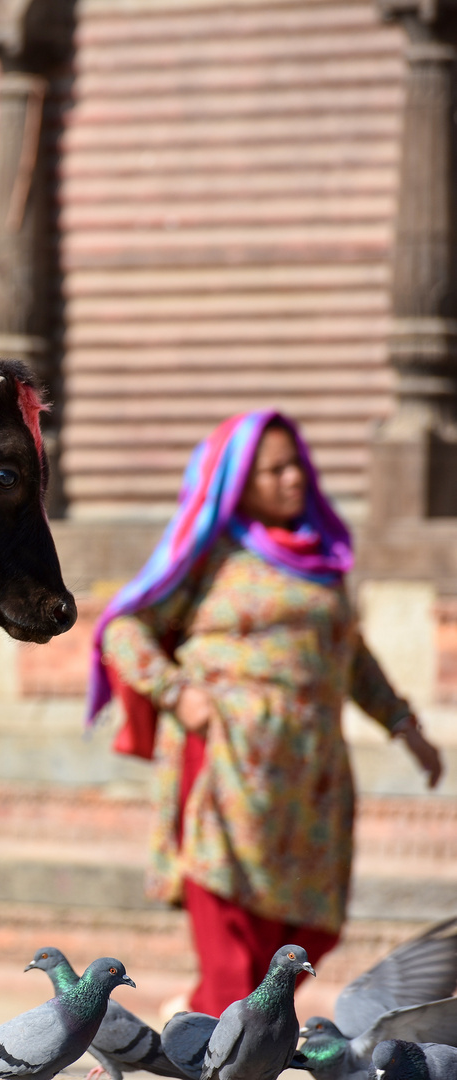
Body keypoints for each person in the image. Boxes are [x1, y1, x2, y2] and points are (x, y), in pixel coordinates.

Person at [88, 410, 443, 1017]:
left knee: (311, 934)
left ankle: (198, 1017)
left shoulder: (323, 562)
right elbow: (123, 629)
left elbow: (351, 657)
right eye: (273, 470)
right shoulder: (209, 557)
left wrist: (406, 727)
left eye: (295, 466)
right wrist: (177, 692)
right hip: (229, 770)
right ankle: (221, 1029)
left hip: (310, 780)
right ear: (237, 483)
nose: (293, 479)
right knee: (233, 945)